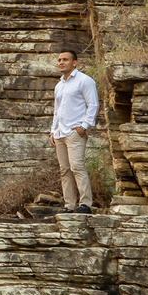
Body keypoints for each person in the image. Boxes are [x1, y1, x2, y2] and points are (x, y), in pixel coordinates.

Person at [48, 49, 99, 214]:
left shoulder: (85, 81)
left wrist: (84, 127)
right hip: (60, 133)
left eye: (65, 59)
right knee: (65, 170)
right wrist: (52, 131)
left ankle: (86, 204)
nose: (61, 62)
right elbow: (57, 111)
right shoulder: (59, 85)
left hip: (75, 132)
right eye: (59, 60)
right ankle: (69, 205)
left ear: (75, 62)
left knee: (77, 167)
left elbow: (93, 105)